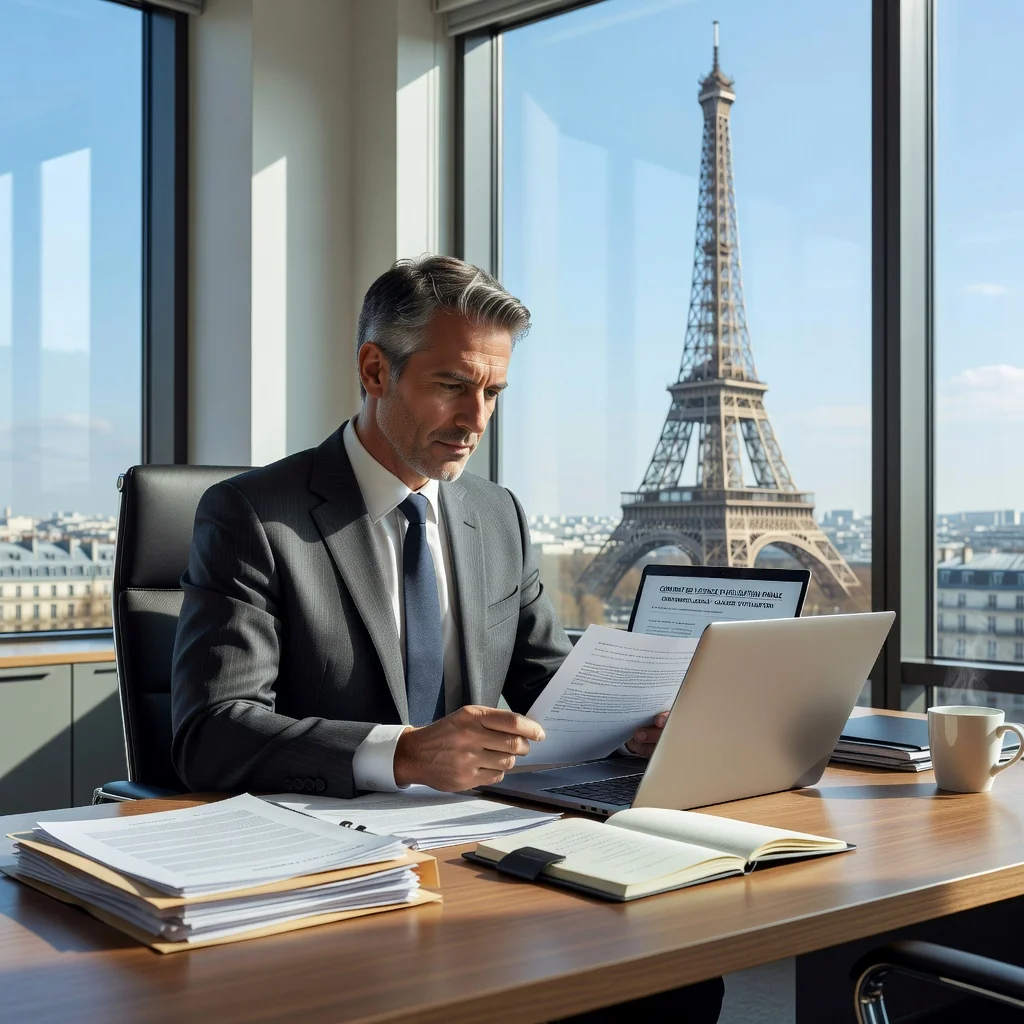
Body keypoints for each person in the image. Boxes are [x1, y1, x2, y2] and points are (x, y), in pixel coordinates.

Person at [171, 255, 723, 1023]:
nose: (478, 420)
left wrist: (632, 726)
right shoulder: (253, 517)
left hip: (486, 848)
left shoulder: (495, 515)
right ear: (374, 369)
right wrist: (405, 752)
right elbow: (211, 733)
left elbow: (544, 684)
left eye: (494, 391)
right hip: (331, 873)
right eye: (453, 386)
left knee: (678, 974)